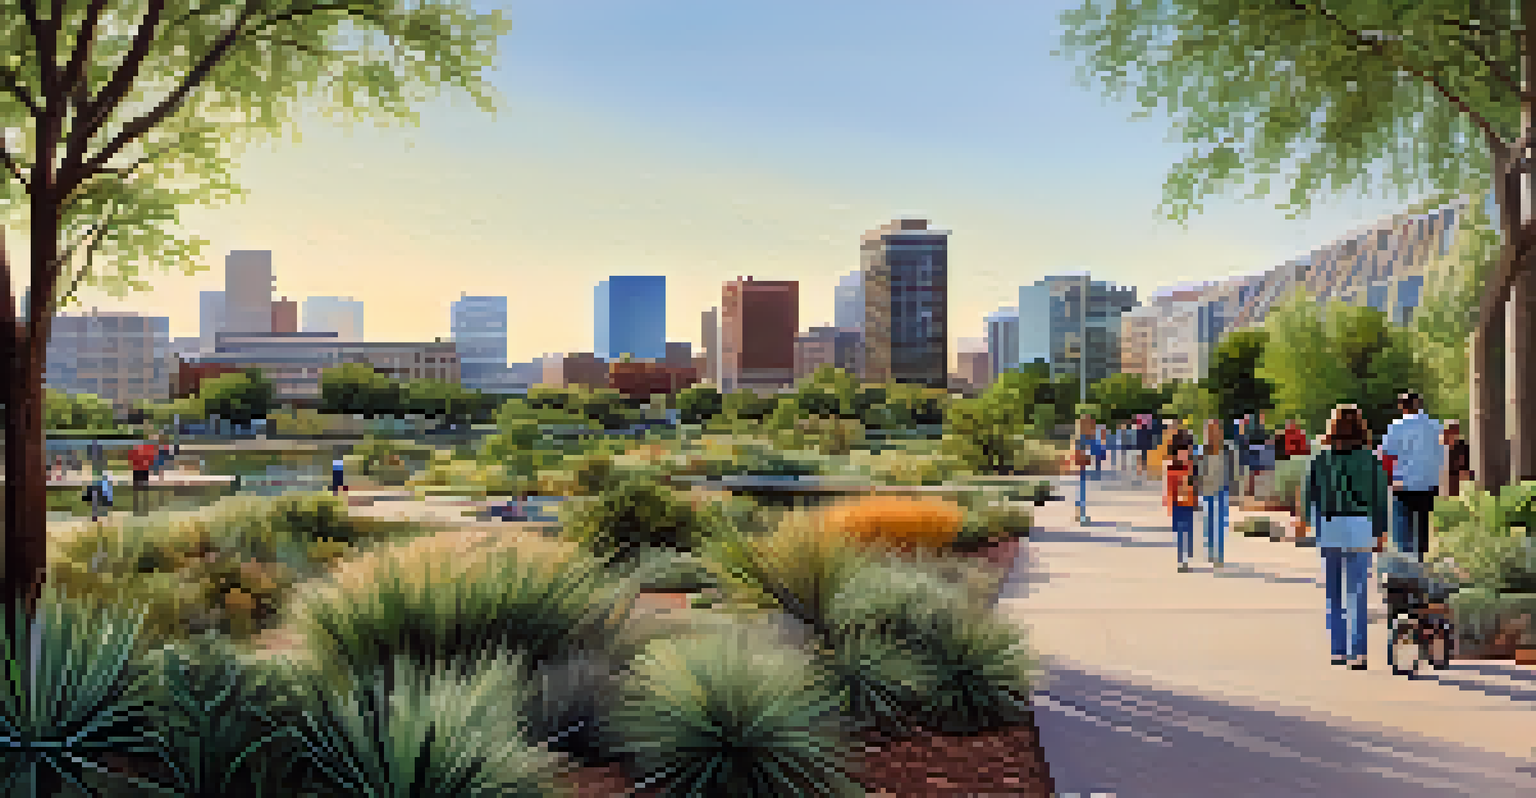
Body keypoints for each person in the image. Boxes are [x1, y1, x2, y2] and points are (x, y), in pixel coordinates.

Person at [1302, 405, 1389, 670]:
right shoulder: (1370, 459)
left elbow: (1310, 495)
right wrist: (1381, 531)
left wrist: (1307, 521)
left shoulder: (1321, 458)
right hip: (1361, 527)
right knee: (1358, 593)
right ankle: (1358, 652)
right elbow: (1379, 497)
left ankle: (1338, 650)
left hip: (1330, 526)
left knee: (1333, 592)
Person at [1379, 392, 1444, 561]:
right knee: (1422, 522)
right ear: (1420, 405)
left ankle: (1407, 564)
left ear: (1402, 406)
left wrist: (1387, 479)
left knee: (1403, 525)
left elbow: (1387, 454)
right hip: (1428, 481)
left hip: (1403, 482)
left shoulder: (1396, 426)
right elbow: (1442, 453)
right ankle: (1420, 559)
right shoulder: (1436, 426)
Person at [1196, 418, 1237, 569]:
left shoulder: (1227, 449)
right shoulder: (1201, 450)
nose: (1213, 433)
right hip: (1205, 490)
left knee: (1220, 522)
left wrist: (1234, 490)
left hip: (1221, 490)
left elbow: (1233, 470)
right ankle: (1210, 551)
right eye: (1210, 430)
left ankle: (1219, 555)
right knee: (1208, 522)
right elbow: (1196, 471)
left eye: (1215, 430)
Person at [1165, 429, 1200, 572]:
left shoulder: (1193, 467)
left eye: (1188, 450)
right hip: (1177, 505)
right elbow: (1169, 488)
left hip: (1189, 504)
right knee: (1180, 531)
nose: (1185, 453)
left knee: (1189, 530)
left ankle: (1187, 551)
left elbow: (1197, 485)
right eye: (1182, 450)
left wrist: (1197, 500)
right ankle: (1182, 559)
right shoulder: (1172, 468)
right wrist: (1169, 506)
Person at [1067, 414, 1097, 525]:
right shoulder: (1082, 438)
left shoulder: (1082, 437)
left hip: (1082, 466)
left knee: (1080, 492)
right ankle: (1081, 515)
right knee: (1080, 493)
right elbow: (1079, 452)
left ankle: (1080, 514)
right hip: (1081, 467)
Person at [1441, 421, 1473, 498]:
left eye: (1454, 431)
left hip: (1459, 480)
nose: (1452, 434)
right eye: (1449, 431)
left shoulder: (1463, 446)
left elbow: (1467, 465)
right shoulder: (1440, 448)